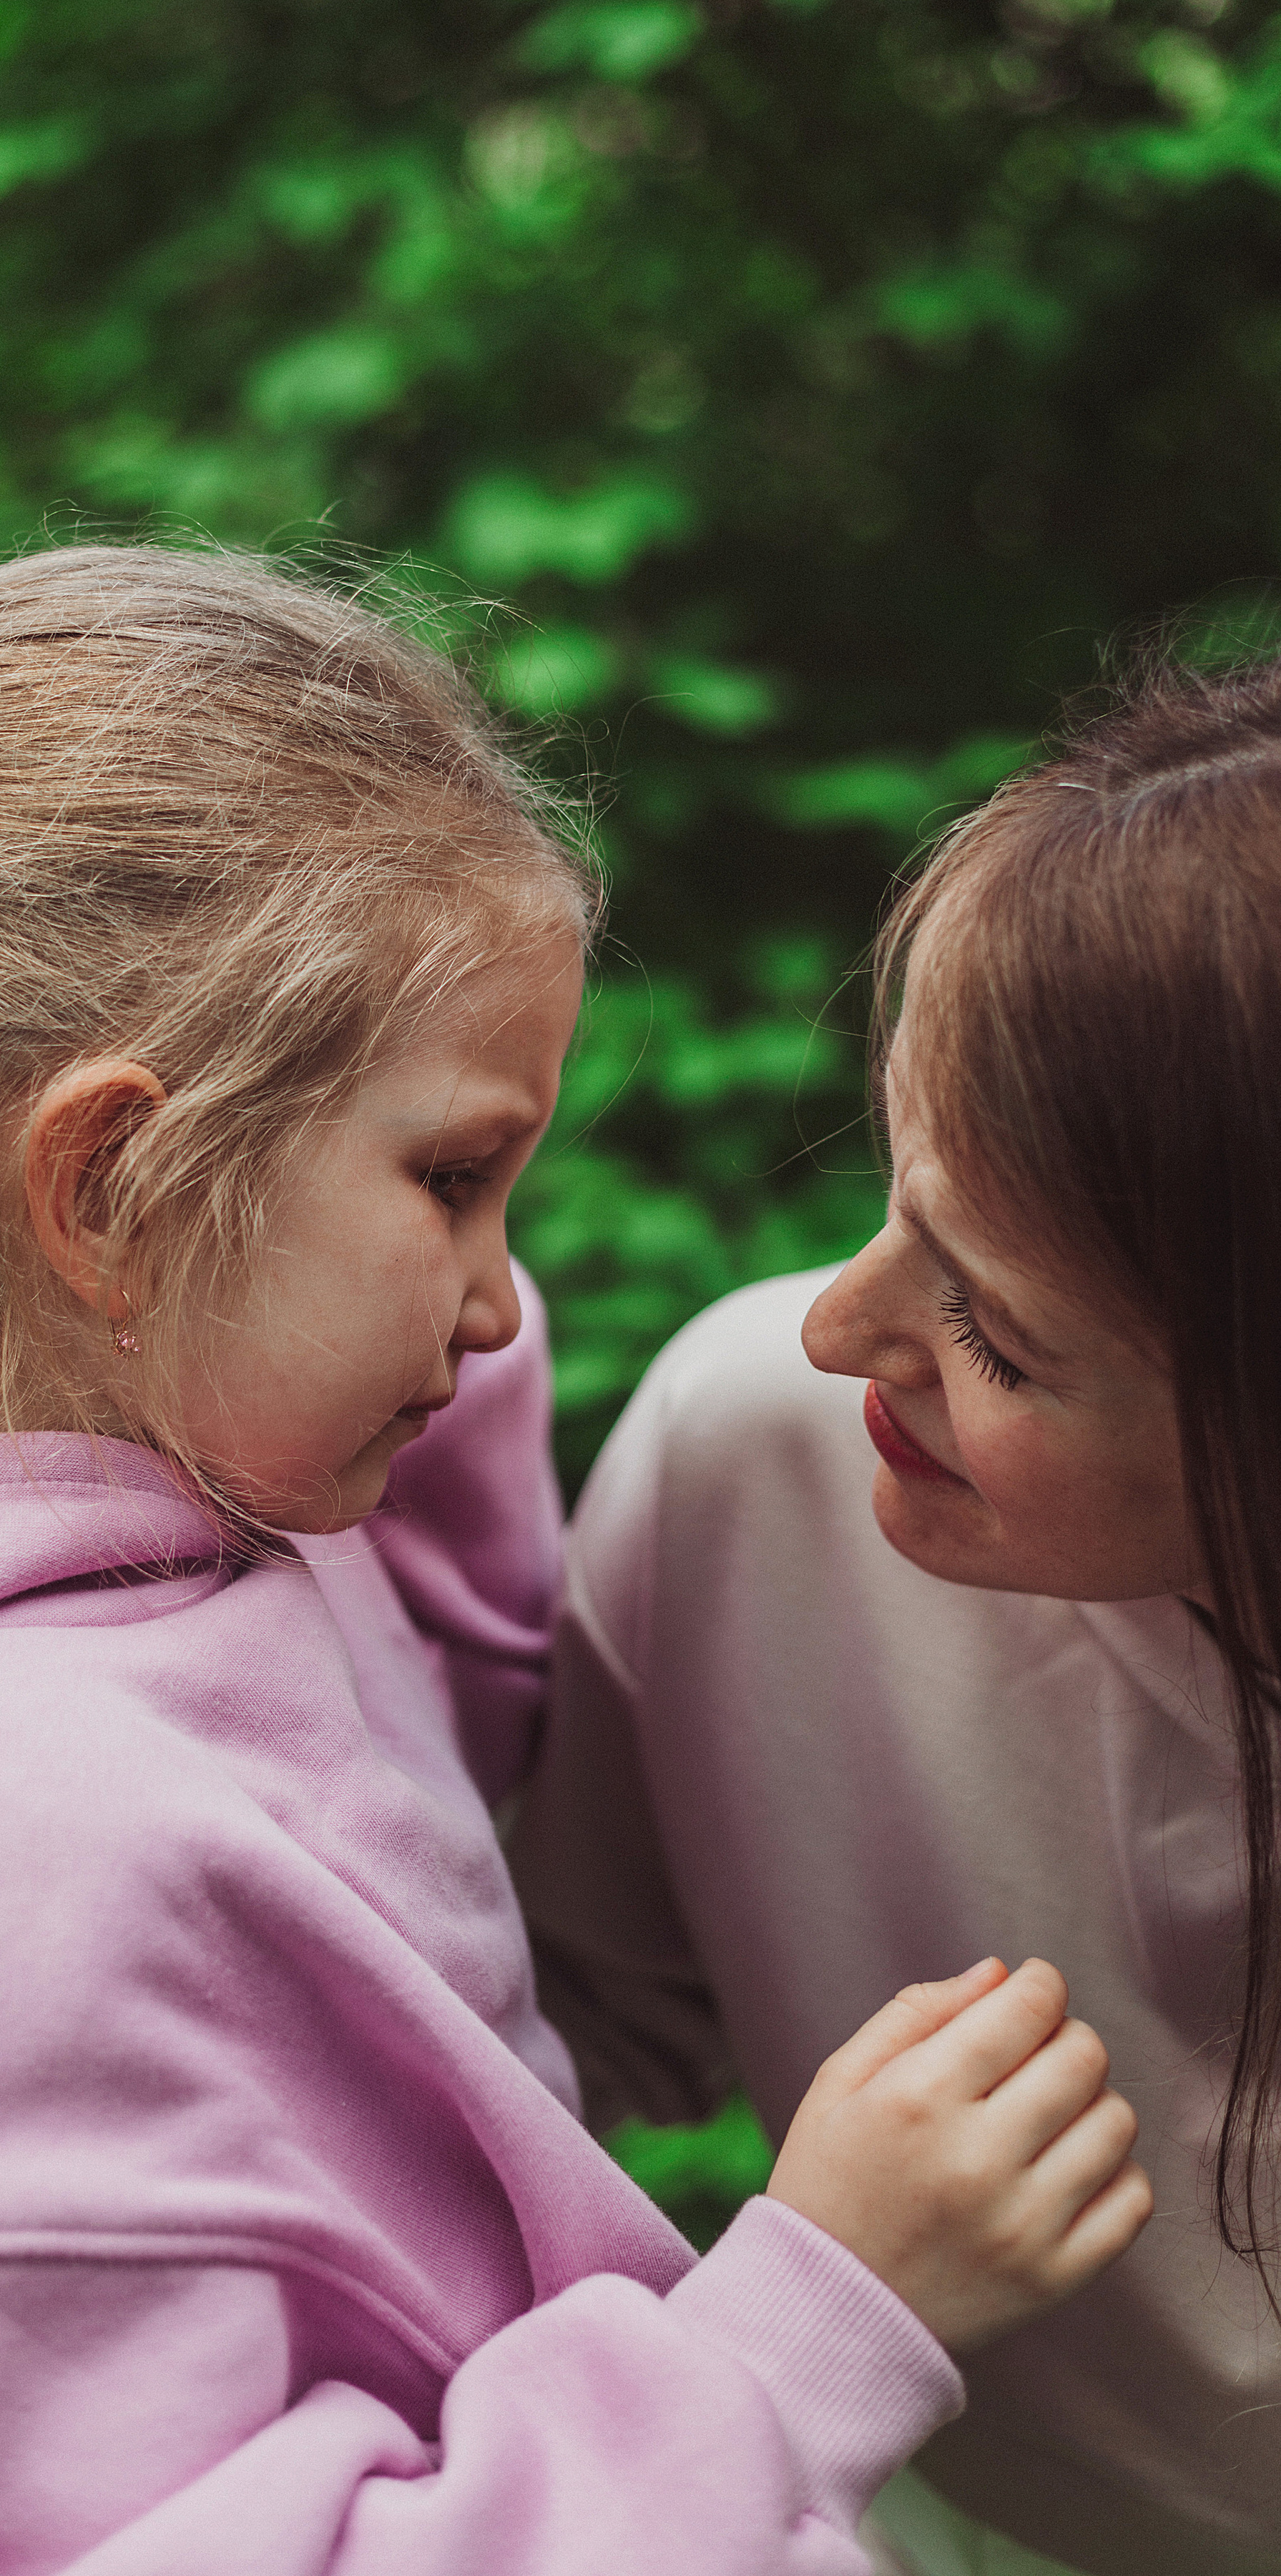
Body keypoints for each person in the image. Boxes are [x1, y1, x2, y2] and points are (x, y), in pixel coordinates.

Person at [0, 549, 1147, 2575]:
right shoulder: (3, 1884)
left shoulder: (220, 1549)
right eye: (450, 1181)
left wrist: (420, 1382)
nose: (505, 1308)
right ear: (114, 1188)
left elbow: (448, 1737)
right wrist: (806, 2336)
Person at [511, 654, 1281, 2576]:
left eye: (998, 1337)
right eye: (894, 1195)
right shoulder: (765, 1454)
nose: (842, 1330)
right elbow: (523, 2042)